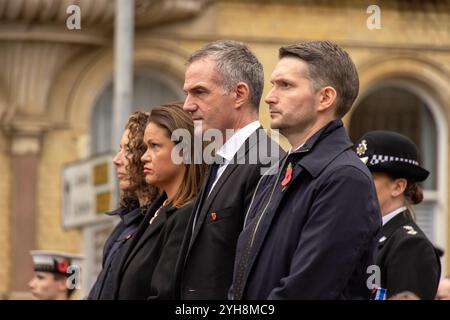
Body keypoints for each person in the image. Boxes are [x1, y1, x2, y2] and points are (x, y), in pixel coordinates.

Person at [229, 40, 382, 300]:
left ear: (325, 98)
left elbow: (307, 289)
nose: (269, 97)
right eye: (273, 84)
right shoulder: (280, 169)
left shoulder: (345, 178)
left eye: (285, 85)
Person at [178, 40, 284, 299]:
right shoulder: (218, 161)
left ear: (239, 94)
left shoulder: (267, 161)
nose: (187, 105)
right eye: (187, 93)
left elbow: (256, 268)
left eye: (200, 92)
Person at [114, 102, 206, 299]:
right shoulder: (156, 210)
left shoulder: (186, 215)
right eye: (145, 147)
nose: (144, 157)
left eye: (154, 146)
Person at [355, 130, 441, 300]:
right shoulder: (363, 234)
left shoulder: (411, 246)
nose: (356, 185)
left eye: (367, 178)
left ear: (398, 187)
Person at [88, 111, 158, 299]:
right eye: (120, 149)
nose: (116, 160)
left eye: (128, 150)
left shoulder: (162, 222)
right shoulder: (126, 224)